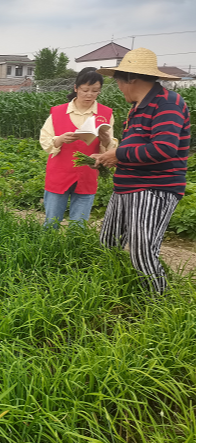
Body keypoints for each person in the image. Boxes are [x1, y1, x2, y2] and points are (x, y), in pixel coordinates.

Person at [92, 48, 190, 295]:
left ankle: (158, 302)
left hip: (153, 188)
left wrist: (119, 155)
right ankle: (115, 292)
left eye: (118, 82)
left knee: (142, 250)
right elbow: (137, 149)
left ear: (131, 78)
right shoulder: (137, 108)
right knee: (109, 242)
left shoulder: (167, 102)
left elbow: (164, 148)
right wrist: (109, 157)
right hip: (126, 187)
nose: (118, 88)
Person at [39, 67, 118, 228]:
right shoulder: (58, 112)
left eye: (95, 91)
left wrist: (106, 141)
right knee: (51, 222)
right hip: (59, 173)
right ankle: (47, 244)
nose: (90, 95)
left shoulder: (105, 114)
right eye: (85, 90)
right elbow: (45, 140)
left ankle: (74, 244)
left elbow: (110, 148)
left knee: (78, 225)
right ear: (76, 88)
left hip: (87, 173)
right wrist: (60, 139)